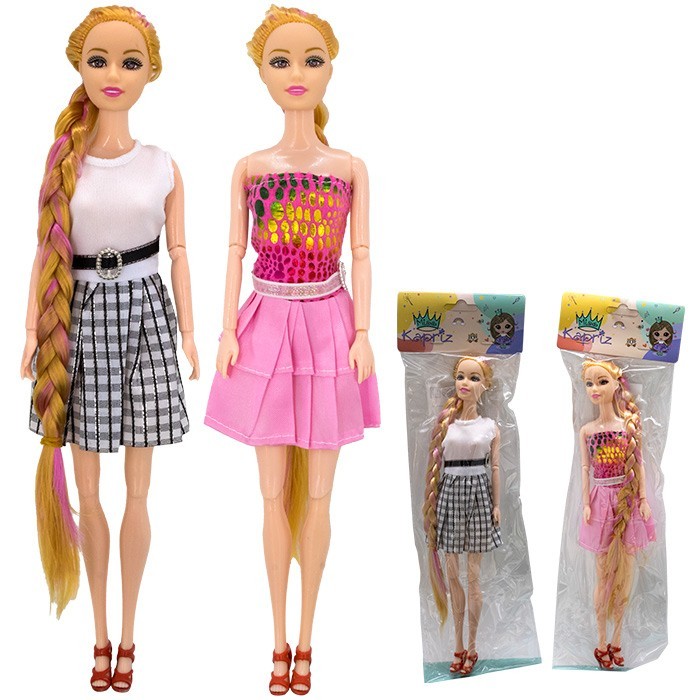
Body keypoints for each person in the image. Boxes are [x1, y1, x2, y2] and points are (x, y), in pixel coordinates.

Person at [21, 6, 199, 691]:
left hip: (147, 316)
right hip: (78, 319)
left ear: (152, 71)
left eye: (130, 61)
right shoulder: (63, 162)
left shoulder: (163, 165)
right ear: (79, 65)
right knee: (88, 492)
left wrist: (190, 332)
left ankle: (130, 634)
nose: (114, 73)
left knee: (138, 493)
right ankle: (98, 634)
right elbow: (46, 252)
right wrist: (31, 333)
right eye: (99, 59)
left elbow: (179, 253)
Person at [204, 5, 380, 695]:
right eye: (280, 60)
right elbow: (232, 250)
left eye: (312, 59)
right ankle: (276, 637)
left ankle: (308, 637)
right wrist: (225, 327)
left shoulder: (349, 167)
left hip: (330, 323)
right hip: (266, 325)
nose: (297, 72)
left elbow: (362, 254)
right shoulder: (251, 168)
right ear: (261, 72)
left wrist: (362, 331)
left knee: (321, 496)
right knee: (271, 493)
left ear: (332, 67)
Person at [423, 356, 501, 676]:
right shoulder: (446, 425)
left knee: (474, 576)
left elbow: (495, 468)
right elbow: (435, 467)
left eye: (474, 377)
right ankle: (457, 644)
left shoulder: (490, 427)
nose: (465, 383)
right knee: (453, 574)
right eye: (461, 376)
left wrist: (497, 504)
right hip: (450, 494)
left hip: (479, 495)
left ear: (486, 385)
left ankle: (472, 644)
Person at [578, 359, 655, 670]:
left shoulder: (628, 427)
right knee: (603, 575)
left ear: (616, 384)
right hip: (599, 501)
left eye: (601, 382)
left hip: (626, 500)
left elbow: (639, 465)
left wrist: (644, 498)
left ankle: (617, 638)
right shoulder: (587, 431)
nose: (594, 389)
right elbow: (585, 468)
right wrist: (586, 503)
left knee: (624, 574)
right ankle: (601, 641)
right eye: (589, 383)